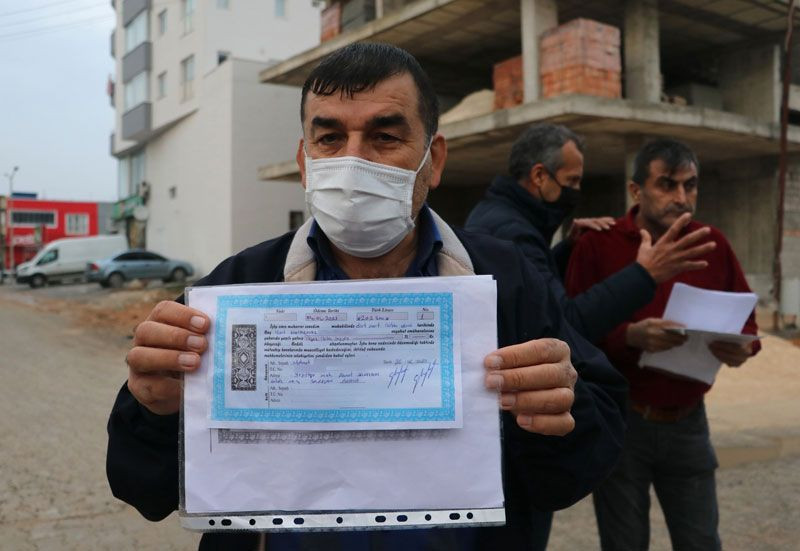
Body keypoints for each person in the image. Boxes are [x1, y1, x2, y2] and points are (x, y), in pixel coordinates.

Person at [106, 43, 627, 550]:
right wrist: (152, 410)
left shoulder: (506, 279)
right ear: (305, 161)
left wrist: (561, 408)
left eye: (384, 137)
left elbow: (578, 463)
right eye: (330, 138)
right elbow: (143, 490)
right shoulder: (235, 290)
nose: (353, 164)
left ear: (434, 158)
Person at [565, 138, 760, 551]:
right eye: (667, 185)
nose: (681, 197)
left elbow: (748, 323)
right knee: (624, 542)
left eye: (690, 186)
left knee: (701, 540)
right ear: (636, 191)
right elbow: (570, 333)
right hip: (620, 421)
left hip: (689, 422)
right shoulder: (598, 244)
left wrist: (742, 349)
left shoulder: (713, 243)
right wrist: (629, 337)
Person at [465, 123, 716, 344]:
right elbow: (565, 323)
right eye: (572, 181)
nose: (576, 191)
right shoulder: (512, 231)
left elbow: (529, 281)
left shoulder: (503, 217)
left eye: (690, 185)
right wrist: (644, 274)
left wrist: (564, 250)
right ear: (539, 176)